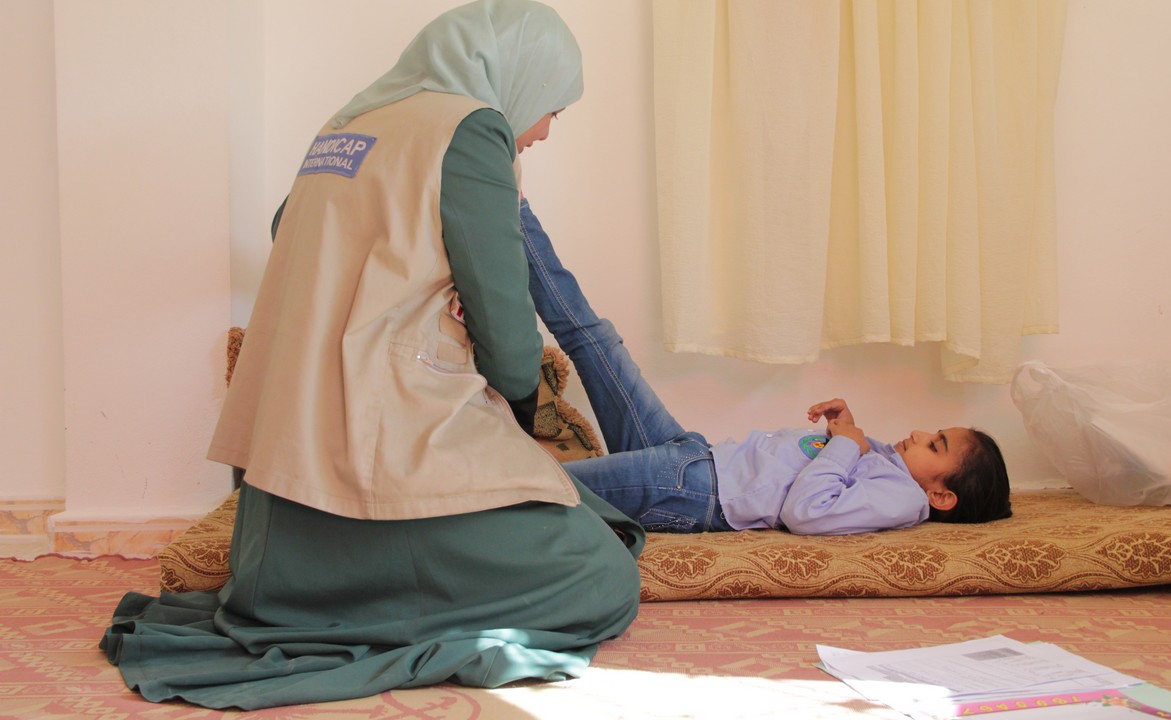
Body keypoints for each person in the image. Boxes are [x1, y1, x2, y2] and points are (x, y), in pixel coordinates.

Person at [100, 1, 644, 710]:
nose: (540, 132)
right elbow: (509, 337)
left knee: (589, 508)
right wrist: (518, 419)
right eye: (552, 110)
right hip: (381, 473)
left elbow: (289, 234)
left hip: (276, 506)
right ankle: (390, 613)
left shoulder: (348, 125)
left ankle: (354, 592)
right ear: (520, 74)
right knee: (606, 574)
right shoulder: (471, 129)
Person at [520, 201, 1012, 536]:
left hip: (694, 492)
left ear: (942, 497)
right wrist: (843, 428)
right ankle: (515, 211)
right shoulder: (886, 465)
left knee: (547, 485)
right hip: (694, 455)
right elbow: (832, 470)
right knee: (599, 342)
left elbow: (806, 514)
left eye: (935, 445)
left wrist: (844, 444)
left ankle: (454, 504)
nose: (921, 431)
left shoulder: (904, 501)